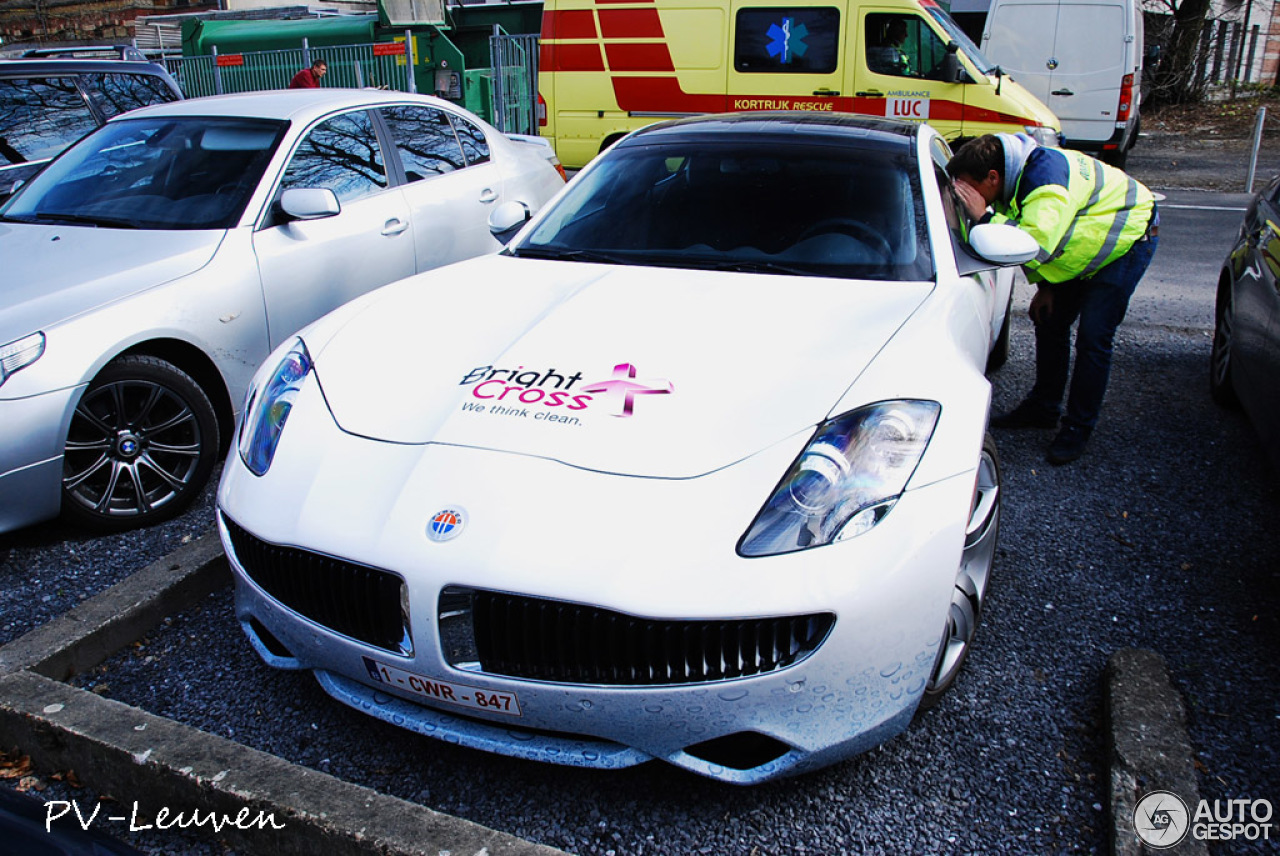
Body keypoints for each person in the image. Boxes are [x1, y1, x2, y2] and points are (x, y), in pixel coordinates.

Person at [947, 133, 1158, 465]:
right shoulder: (1014, 177)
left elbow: (1035, 244)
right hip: (1088, 238)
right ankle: (1044, 407)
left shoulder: (1044, 182)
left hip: (1127, 241)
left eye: (971, 189)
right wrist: (1047, 286)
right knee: (1049, 318)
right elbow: (1050, 233)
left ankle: (1078, 427)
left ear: (993, 177)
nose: (968, 198)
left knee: (1094, 337)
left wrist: (984, 217)